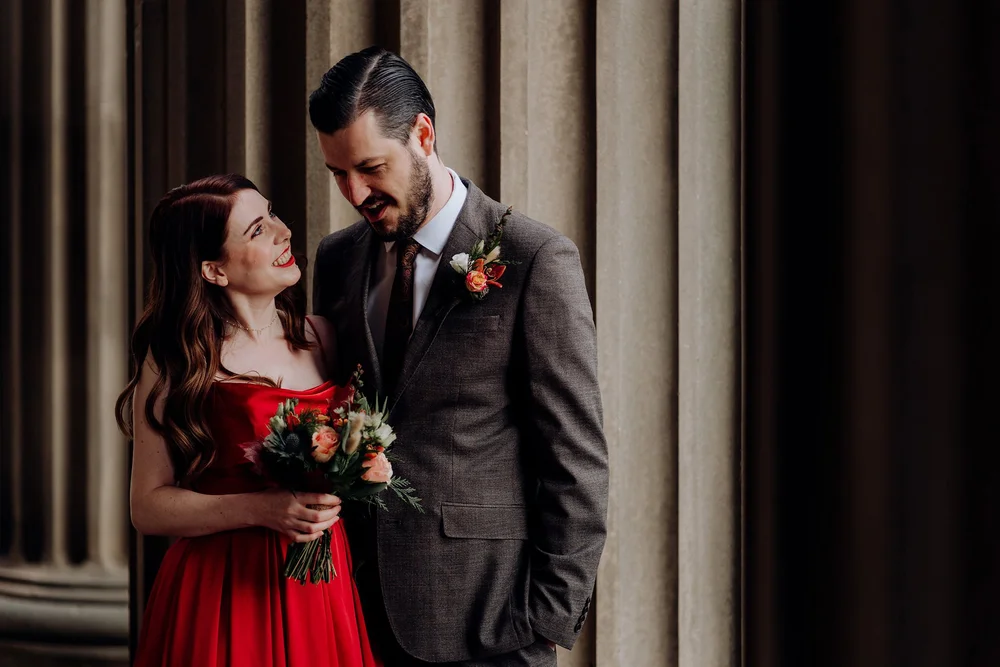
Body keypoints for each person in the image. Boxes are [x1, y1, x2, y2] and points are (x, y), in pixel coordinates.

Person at [309, 46, 609, 666]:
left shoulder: (534, 258)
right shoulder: (337, 259)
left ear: (423, 133)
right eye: (338, 173)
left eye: (370, 167)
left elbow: (575, 457)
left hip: (488, 624)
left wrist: (546, 619)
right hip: (353, 614)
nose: (355, 192)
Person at [117, 174, 379, 667]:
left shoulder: (322, 337)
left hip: (320, 581)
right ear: (214, 270)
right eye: (258, 230)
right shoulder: (175, 359)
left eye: (273, 214)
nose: (284, 233)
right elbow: (147, 507)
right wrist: (261, 509)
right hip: (221, 587)